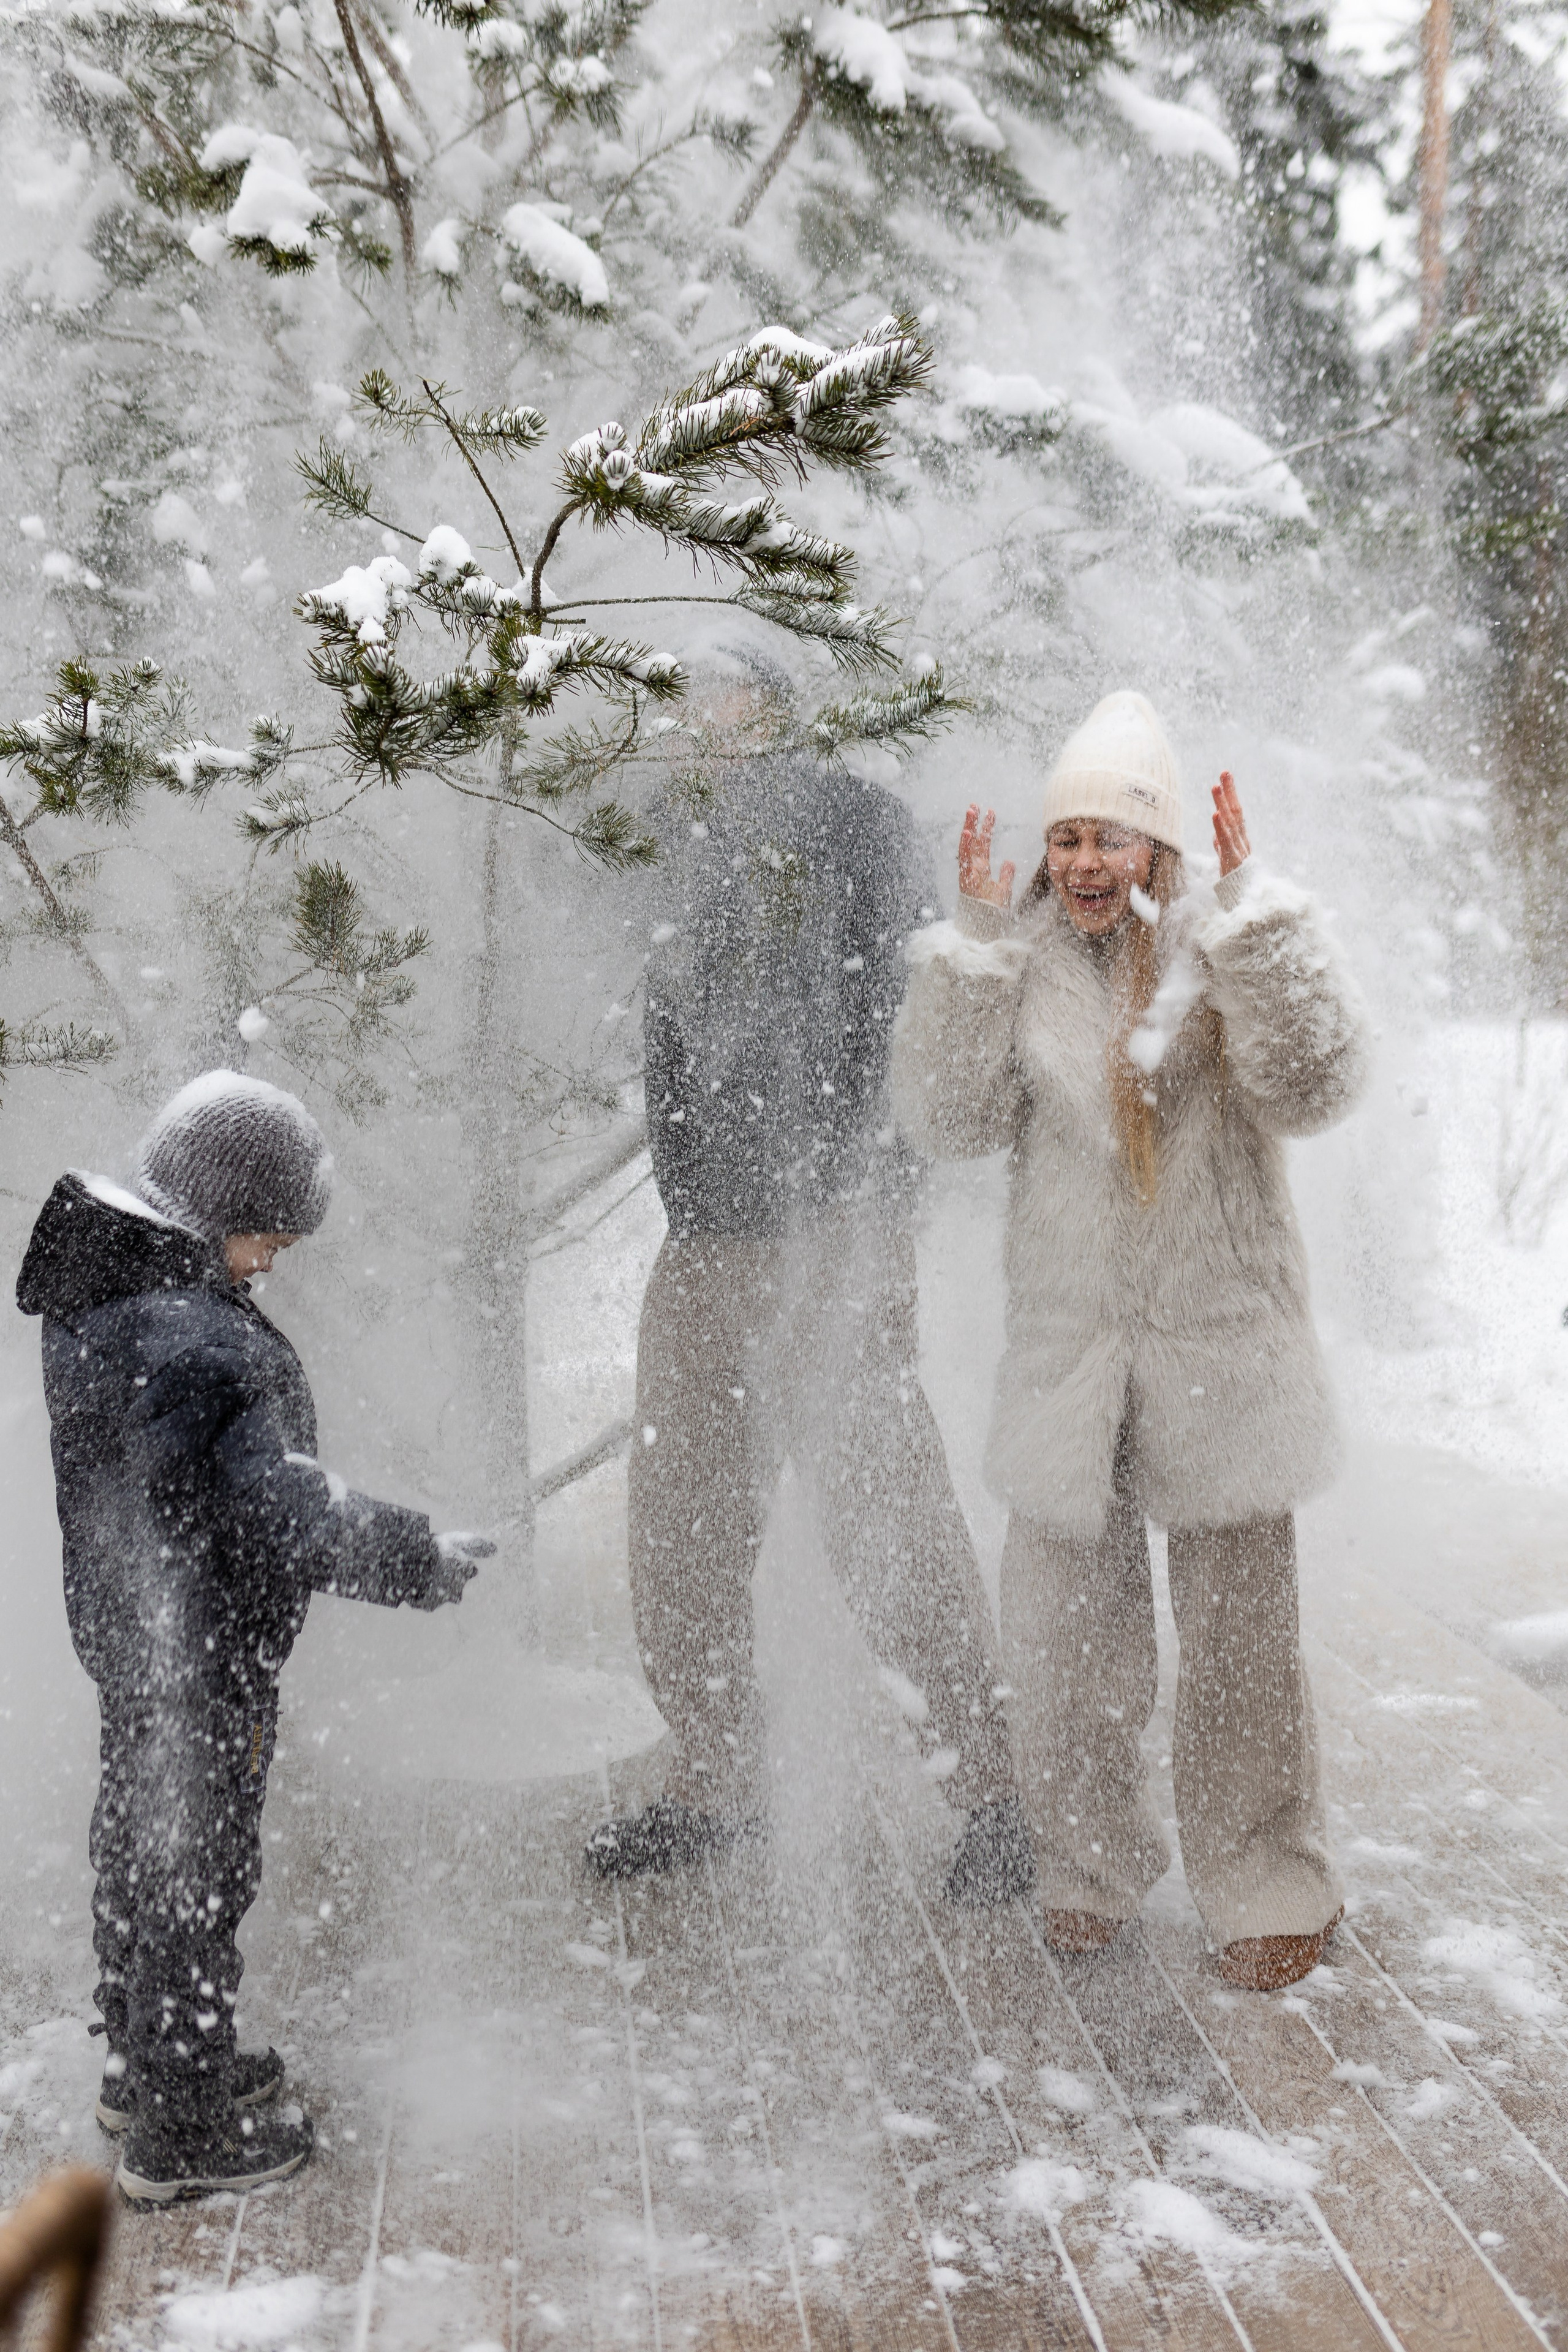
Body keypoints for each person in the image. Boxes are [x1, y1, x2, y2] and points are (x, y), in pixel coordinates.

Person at [890, 692, 1369, 1991]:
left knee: (1238, 1643)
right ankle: (1089, 1860)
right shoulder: (1024, 959)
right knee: (1061, 1642)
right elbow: (946, 1122)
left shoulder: (1223, 943)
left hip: (1221, 1343)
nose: (1085, 863)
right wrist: (976, 947)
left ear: (1158, 847)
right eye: (1066, 838)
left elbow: (1315, 1087)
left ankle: (1267, 1878)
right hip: (1071, 1355)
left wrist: (1261, 919)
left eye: (1111, 837)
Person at [584, 644, 1033, 1903]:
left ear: (776, 710)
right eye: (682, 703)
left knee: (886, 1512)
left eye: (722, 698)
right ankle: (716, 1778)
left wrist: (868, 1193)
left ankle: (995, 1789)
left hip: (836, 1231)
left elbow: (909, 1010)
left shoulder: (855, 823)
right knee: (679, 1520)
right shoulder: (668, 836)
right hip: (705, 1237)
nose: (697, 720)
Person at [16, 1071, 494, 2203]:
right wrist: (416, 1557)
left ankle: (143, 2066)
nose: (270, 1263)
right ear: (211, 1210)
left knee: (141, 1848)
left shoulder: (105, 1296)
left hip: (135, 1639)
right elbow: (287, 1511)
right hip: (205, 1658)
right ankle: (179, 2136)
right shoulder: (200, 1345)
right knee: (197, 1876)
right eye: (266, 1240)